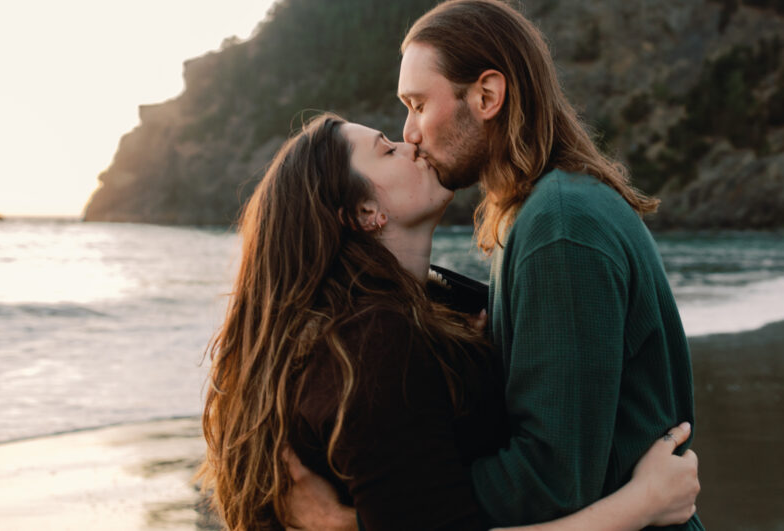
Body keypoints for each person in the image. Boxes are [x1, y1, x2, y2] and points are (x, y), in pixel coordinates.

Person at [198, 114, 700, 531]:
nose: (410, 141)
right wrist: (643, 505)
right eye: (387, 149)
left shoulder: (421, 313)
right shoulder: (370, 340)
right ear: (366, 210)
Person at [398, 0, 705, 529]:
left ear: (487, 95)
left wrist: (378, 507)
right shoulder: (546, 212)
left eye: (419, 104)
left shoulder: (559, 228)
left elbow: (550, 482)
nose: (410, 132)